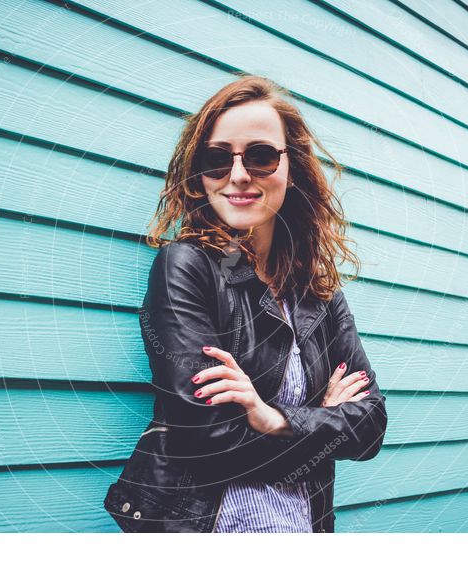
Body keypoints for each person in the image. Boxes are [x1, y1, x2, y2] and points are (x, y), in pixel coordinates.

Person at [103, 74, 387, 533]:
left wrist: (272, 418)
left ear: (290, 165)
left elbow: (371, 424)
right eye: (217, 159)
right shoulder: (186, 267)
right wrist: (325, 425)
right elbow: (208, 439)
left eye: (259, 155)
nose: (237, 175)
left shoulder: (320, 293)